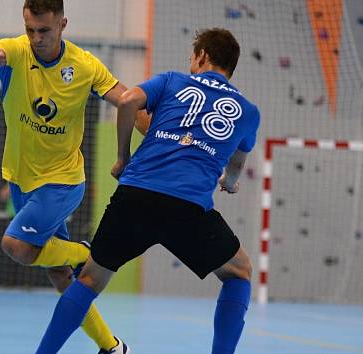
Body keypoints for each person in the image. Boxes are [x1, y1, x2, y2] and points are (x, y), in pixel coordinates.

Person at [35, 28, 259, 354]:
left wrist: (122, 157)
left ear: (202, 56)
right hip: (188, 209)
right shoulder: (248, 112)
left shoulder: (172, 80)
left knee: (88, 281)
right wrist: (227, 182)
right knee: (239, 272)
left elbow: (127, 101)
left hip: (135, 197)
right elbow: (238, 161)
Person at [0, 1, 135, 353]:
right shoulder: (14, 52)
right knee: (60, 275)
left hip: (62, 181)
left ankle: (87, 252)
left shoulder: (85, 66)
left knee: (16, 246)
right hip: (20, 179)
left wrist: (154, 139)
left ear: (62, 24)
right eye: (30, 30)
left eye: (44, 30)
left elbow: (127, 99)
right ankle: (113, 347)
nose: (36, 38)